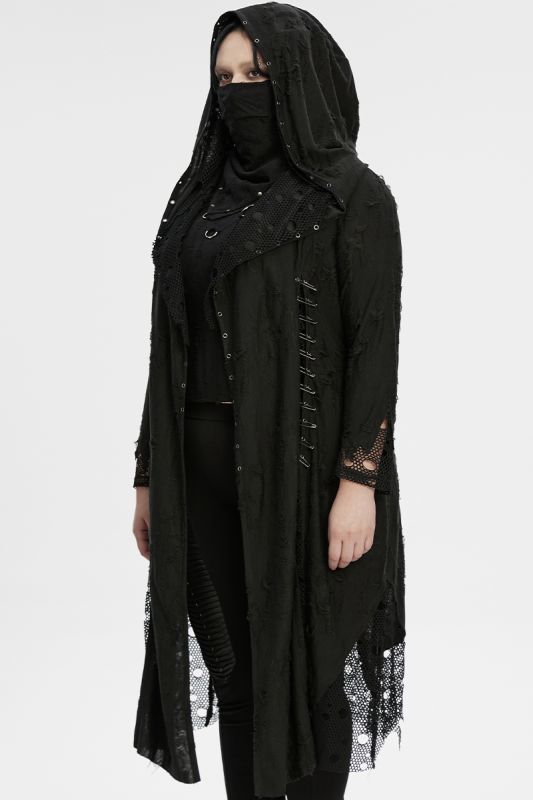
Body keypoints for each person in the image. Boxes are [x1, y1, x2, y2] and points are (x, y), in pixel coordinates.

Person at [131, 4, 406, 800]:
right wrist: (148, 474)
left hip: (309, 477)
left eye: (256, 74)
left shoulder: (352, 196)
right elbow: (166, 346)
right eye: (224, 77)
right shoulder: (198, 202)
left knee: (313, 673)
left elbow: (373, 348)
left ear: (299, 81)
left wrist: (358, 480)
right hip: (199, 476)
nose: (238, 91)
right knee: (239, 672)